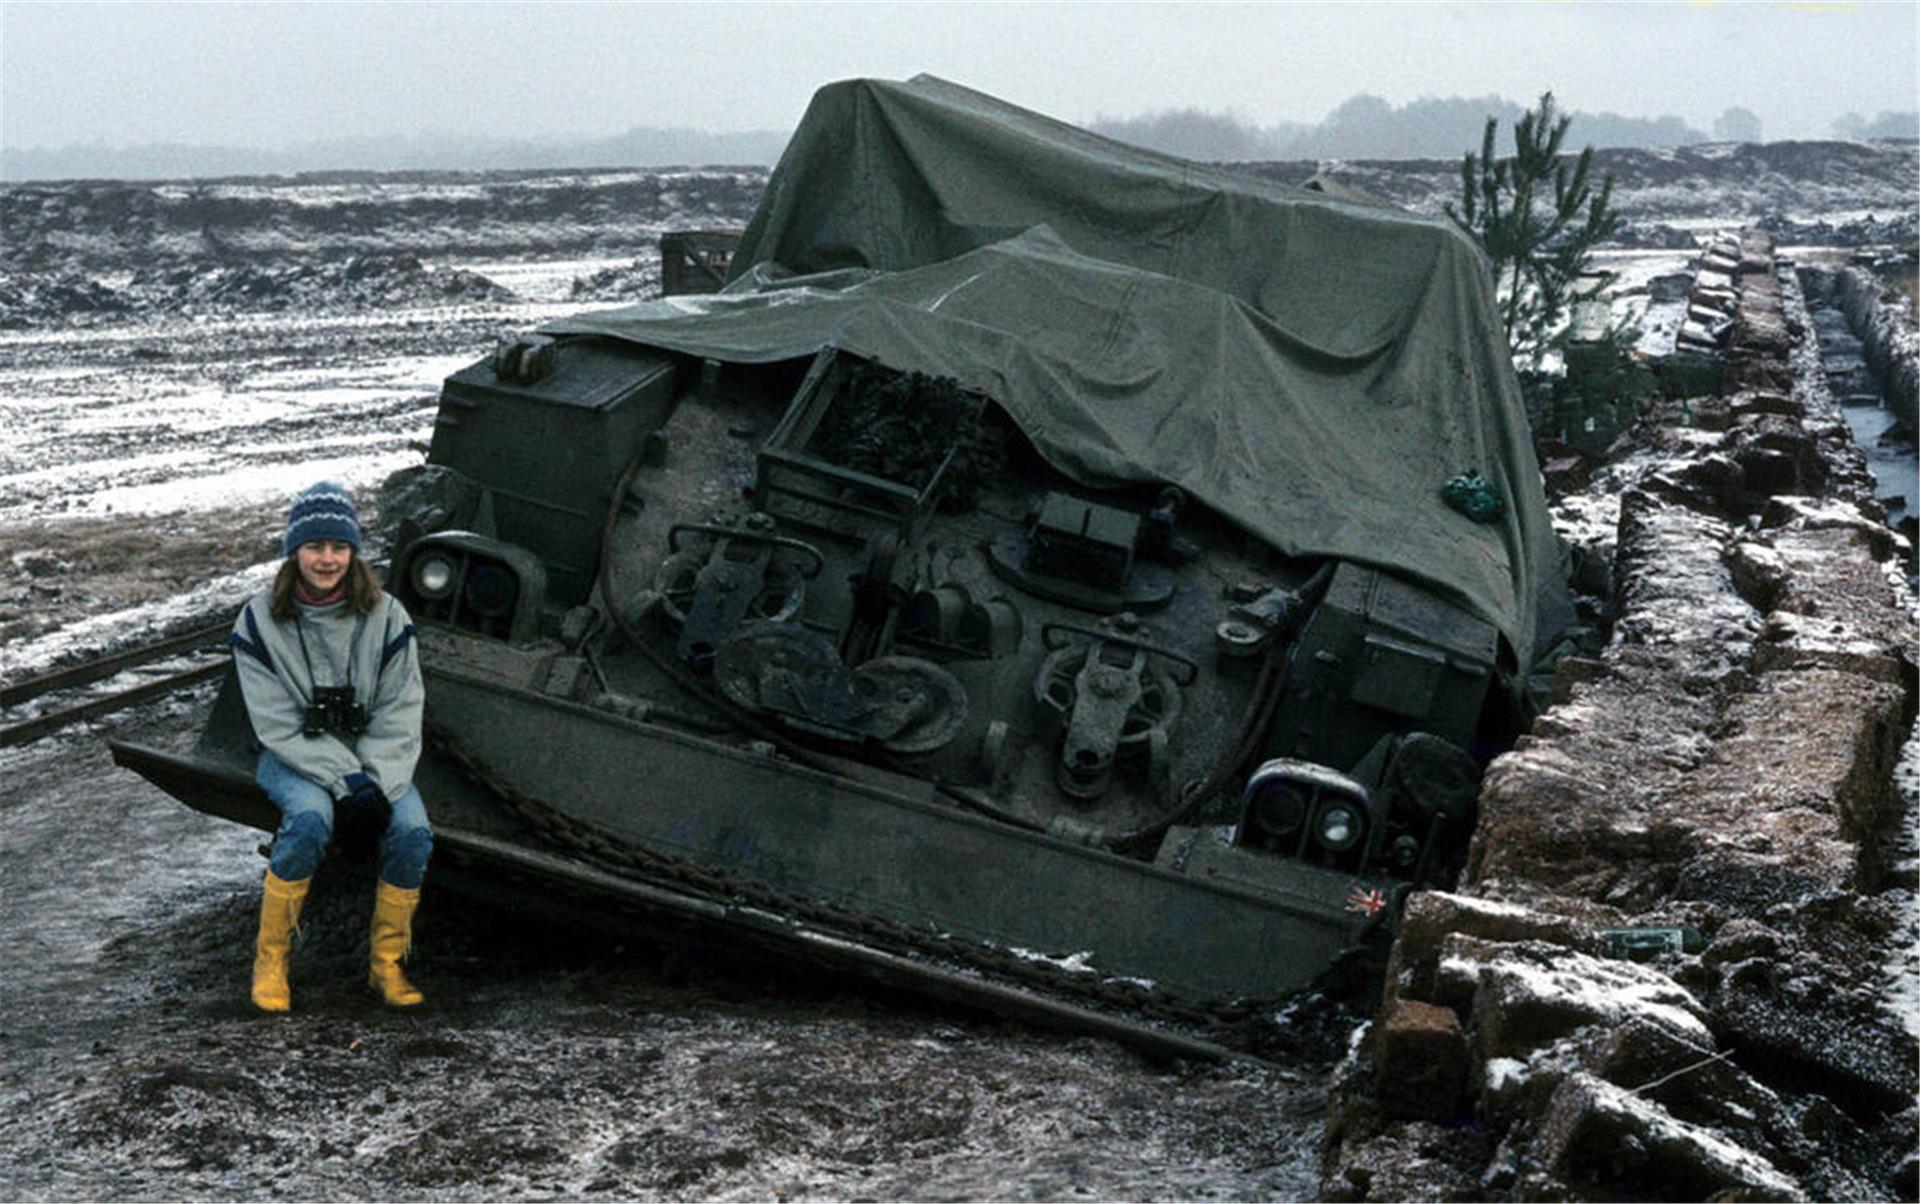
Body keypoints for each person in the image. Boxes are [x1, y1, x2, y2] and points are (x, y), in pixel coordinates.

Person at [229, 481, 432, 1013]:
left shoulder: (388, 616)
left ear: (353, 552)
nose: (327, 559)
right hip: (295, 756)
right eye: (315, 546)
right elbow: (275, 723)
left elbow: (401, 712)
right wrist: (347, 785)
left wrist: (376, 784)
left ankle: (386, 966)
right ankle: (270, 963)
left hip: (376, 760)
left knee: (412, 831)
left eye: (339, 547)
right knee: (310, 820)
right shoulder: (258, 620)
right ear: (294, 551)